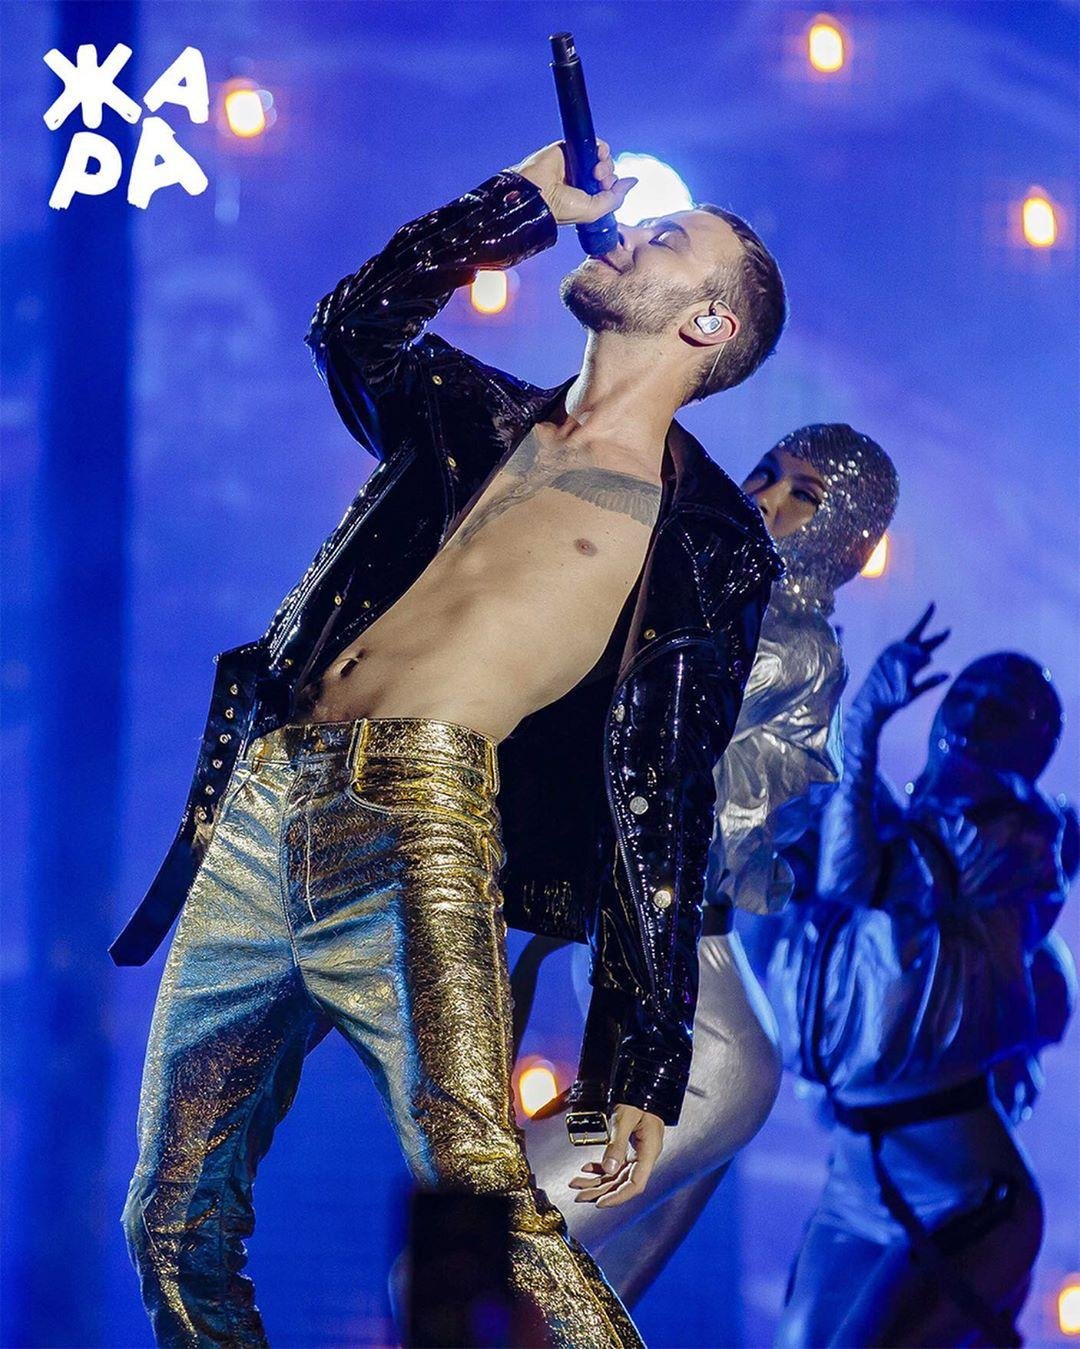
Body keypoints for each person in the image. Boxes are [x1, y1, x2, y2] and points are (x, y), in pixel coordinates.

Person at [110, 136, 787, 1348]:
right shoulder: (472, 415)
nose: (627, 230)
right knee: (168, 1217)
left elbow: (665, 794)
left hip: (415, 819)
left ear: (706, 323)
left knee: (496, 1209)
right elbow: (353, 322)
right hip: (264, 798)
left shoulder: (706, 538)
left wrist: (642, 1054)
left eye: (666, 237)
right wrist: (518, 200)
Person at [516, 425, 898, 1304]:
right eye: (766, 473)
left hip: (697, 1043)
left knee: (476, 1266)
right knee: (564, 1304)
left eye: (805, 495)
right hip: (660, 1018)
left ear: (845, 539)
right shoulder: (712, 604)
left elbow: (683, 806)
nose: (767, 499)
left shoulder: (784, 643)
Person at [767, 630, 1068, 1347]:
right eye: (970, 691)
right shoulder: (910, 825)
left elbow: (853, 878)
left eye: (1005, 707)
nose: (977, 709)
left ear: (1031, 745)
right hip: (855, 1180)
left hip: (962, 1194)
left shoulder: (1006, 833)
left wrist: (867, 720)